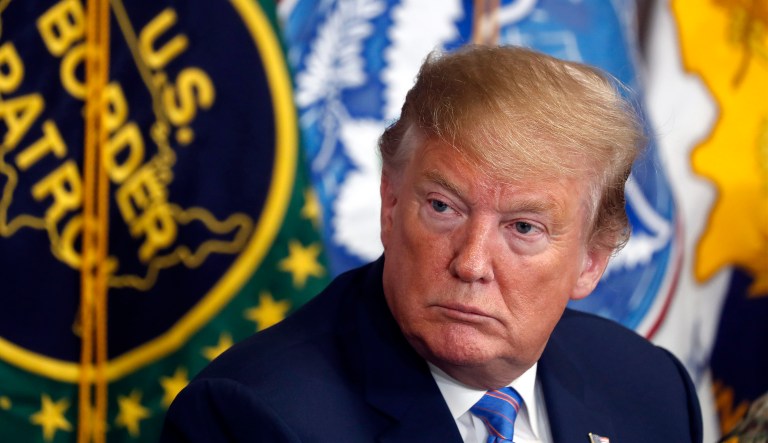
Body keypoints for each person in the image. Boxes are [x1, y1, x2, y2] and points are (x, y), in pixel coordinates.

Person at [160, 45, 702, 443]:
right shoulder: (253, 418)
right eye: (444, 208)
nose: (471, 264)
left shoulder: (652, 390)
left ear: (592, 262)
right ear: (391, 205)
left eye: (523, 228)